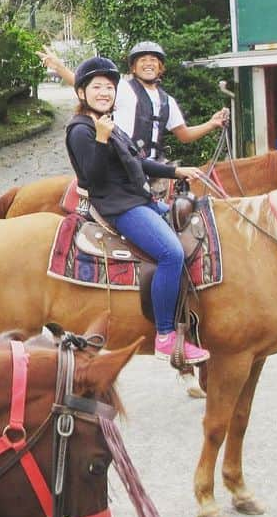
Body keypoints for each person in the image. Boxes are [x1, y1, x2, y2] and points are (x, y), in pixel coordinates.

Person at [64, 56, 210, 366]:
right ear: (81, 93)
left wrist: (178, 171)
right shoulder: (82, 130)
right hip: (120, 207)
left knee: (194, 225)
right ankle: (166, 336)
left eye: (109, 87)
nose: (104, 92)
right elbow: (94, 178)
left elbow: (137, 162)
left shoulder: (109, 126)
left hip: (140, 199)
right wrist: (101, 140)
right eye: (97, 87)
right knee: (172, 253)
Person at [41, 40, 229, 161]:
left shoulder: (167, 101)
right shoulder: (123, 87)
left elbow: (184, 135)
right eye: (143, 60)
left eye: (154, 60)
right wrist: (59, 67)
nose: (149, 63)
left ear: (160, 67)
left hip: (154, 165)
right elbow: (88, 86)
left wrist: (212, 124)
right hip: (124, 161)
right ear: (133, 67)